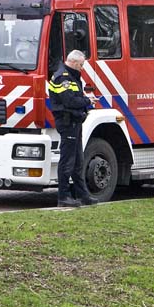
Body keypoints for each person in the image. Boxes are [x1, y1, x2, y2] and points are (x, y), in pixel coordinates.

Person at [48, 50, 98, 208]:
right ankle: (63, 196)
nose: (82, 68)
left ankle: (83, 195)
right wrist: (87, 101)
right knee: (67, 161)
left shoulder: (70, 77)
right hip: (67, 122)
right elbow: (69, 101)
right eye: (81, 65)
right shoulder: (63, 77)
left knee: (78, 161)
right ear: (75, 62)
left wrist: (83, 101)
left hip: (74, 122)